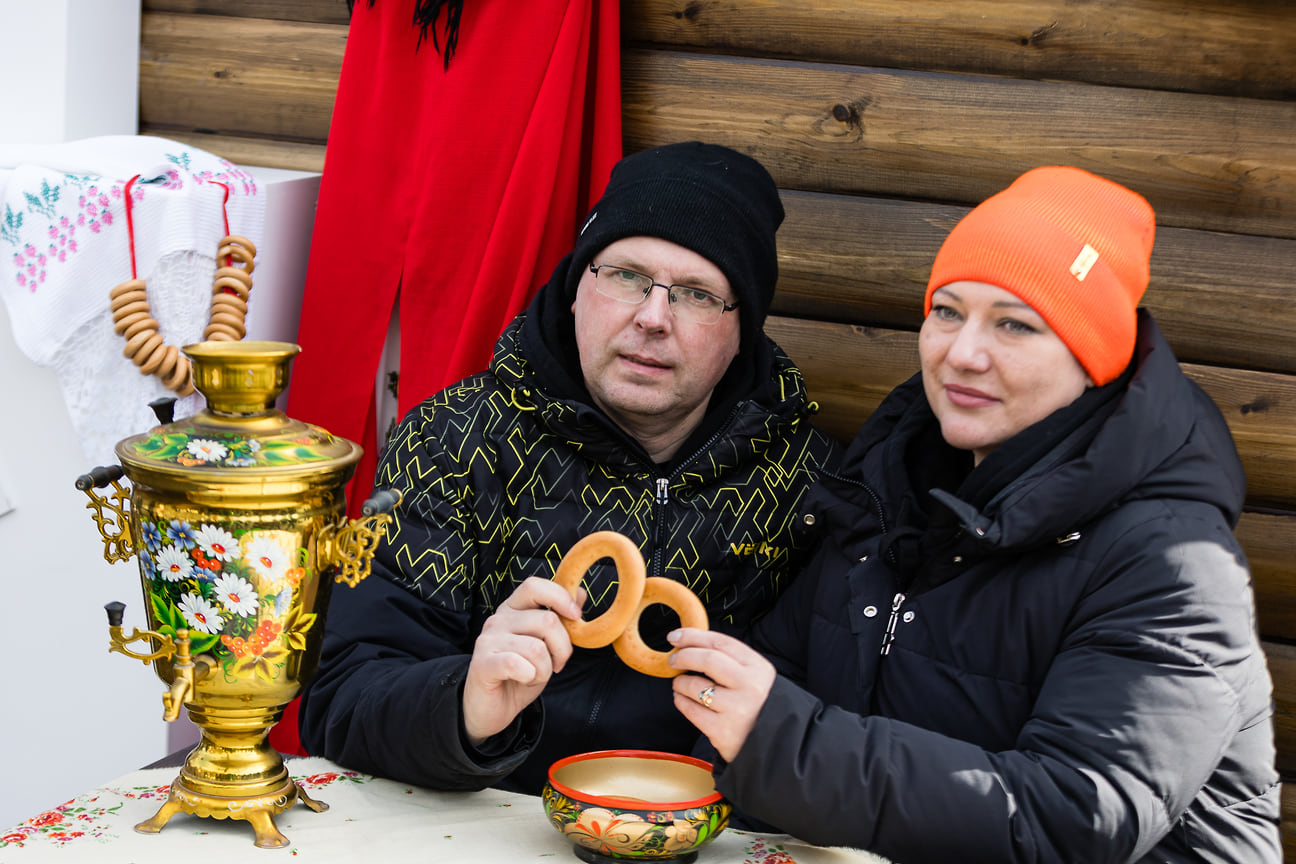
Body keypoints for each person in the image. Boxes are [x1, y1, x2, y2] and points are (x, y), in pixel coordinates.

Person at [667, 166, 1282, 862]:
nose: (962, 354)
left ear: (1094, 359)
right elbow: (776, 675)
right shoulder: (886, 493)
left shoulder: (1174, 563)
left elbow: (1074, 815)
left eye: (1015, 325)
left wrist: (788, 743)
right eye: (947, 312)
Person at [298, 141, 842, 795]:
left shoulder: (810, 486)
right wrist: (466, 702)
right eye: (625, 275)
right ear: (577, 286)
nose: (651, 318)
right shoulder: (456, 442)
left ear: (742, 328)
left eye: (697, 294)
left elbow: (834, 719)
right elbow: (339, 701)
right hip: (485, 826)